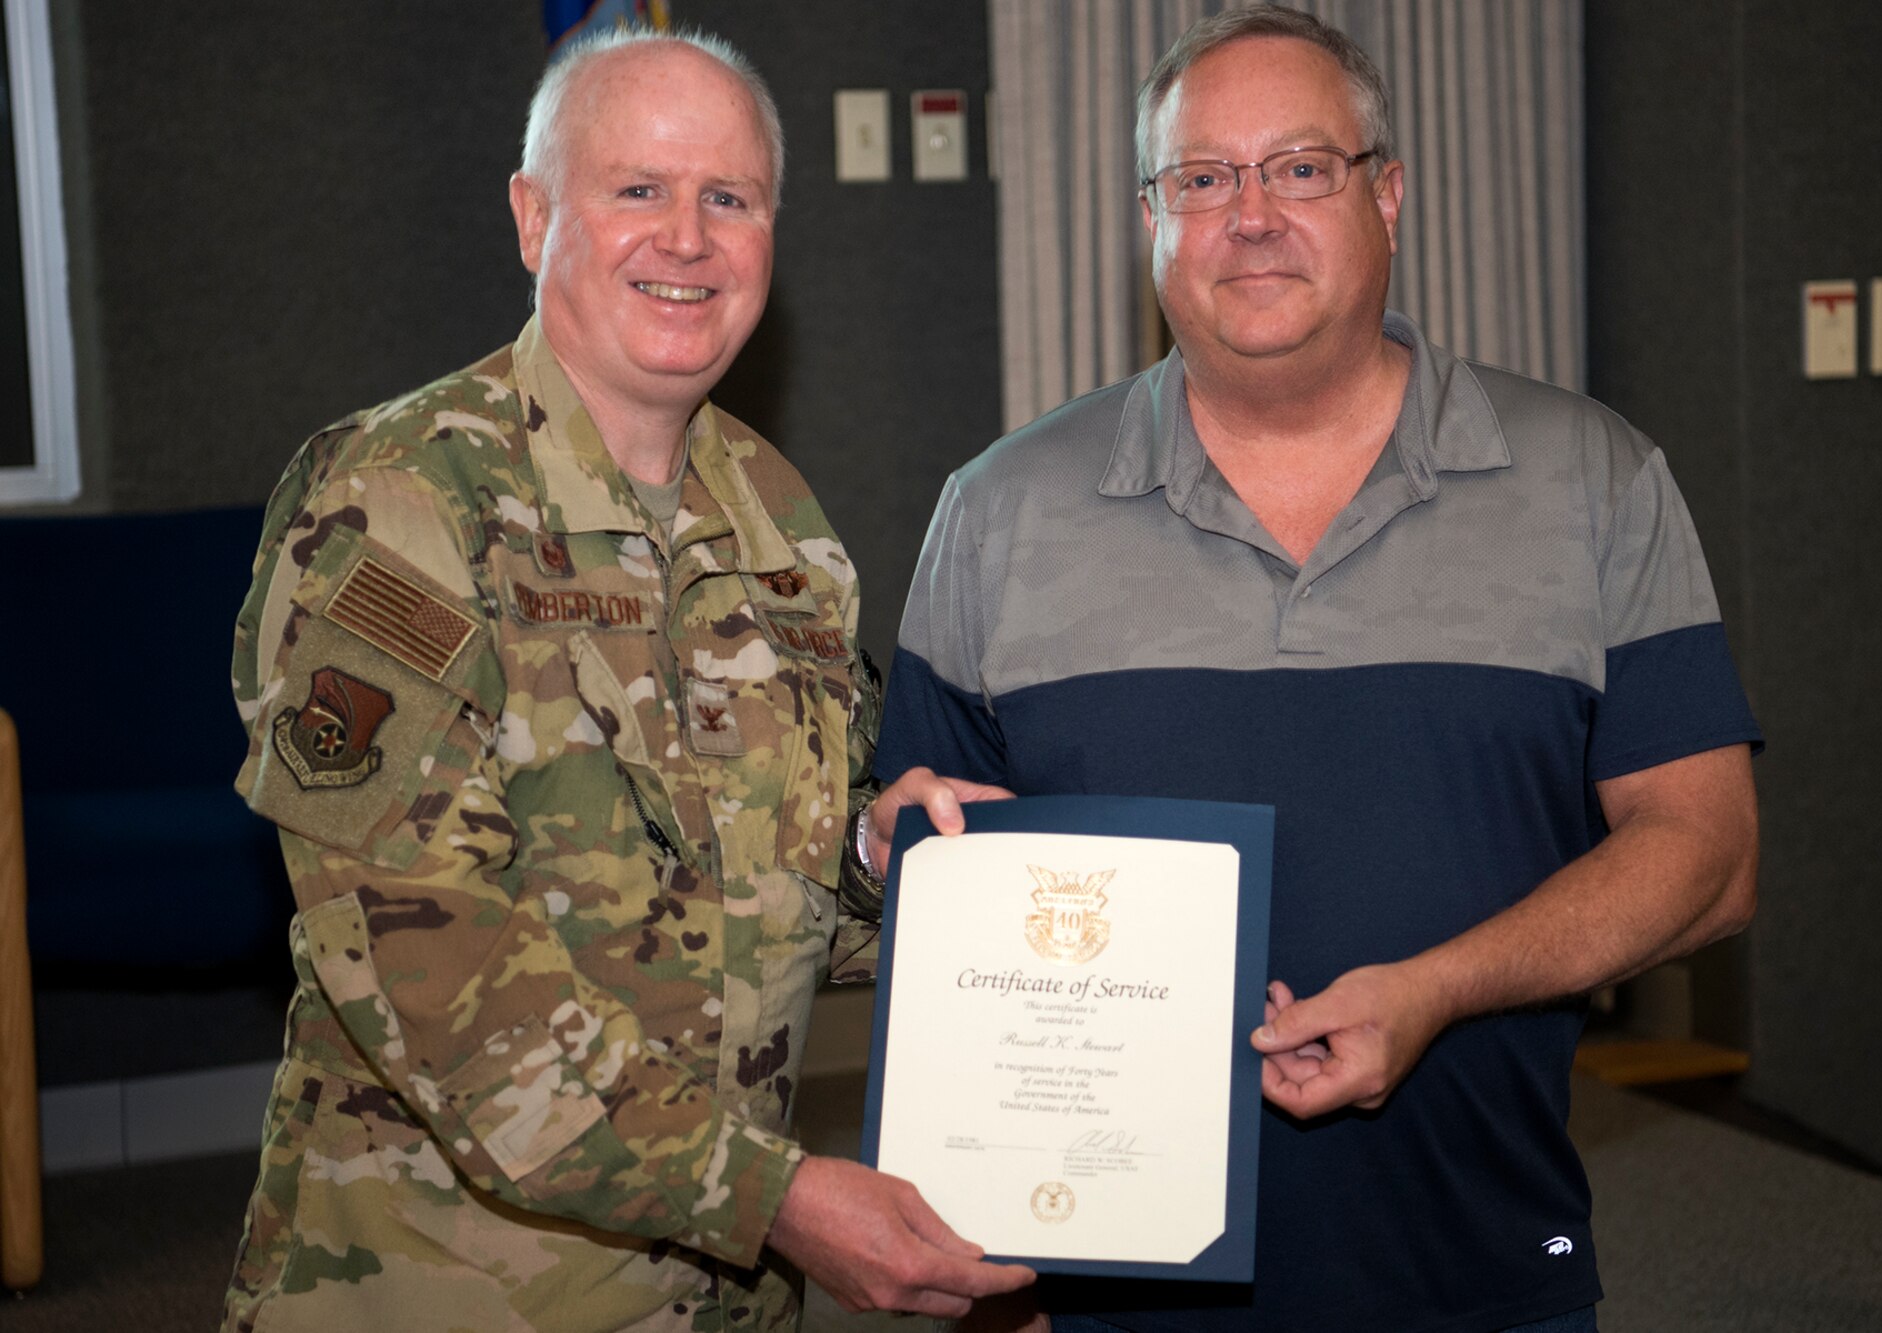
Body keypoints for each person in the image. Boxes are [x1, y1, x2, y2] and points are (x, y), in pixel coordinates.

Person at [869, 6, 1761, 1331]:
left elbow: (1710, 851)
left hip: (1478, 1271)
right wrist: (892, 844)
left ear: (1386, 193)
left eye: (1300, 167)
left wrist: (1438, 987)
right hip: (1095, 1295)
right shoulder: (997, 510)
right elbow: (921, 867)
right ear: (1151, 217)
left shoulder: (1595, 481)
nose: (1251, 214)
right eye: (1202, 178)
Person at [222, 28, 1030, 1332]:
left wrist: (884, 858)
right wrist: (780, 1197)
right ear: (534, 216)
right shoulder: (396, 505)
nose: (688, 237)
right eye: (637, 190)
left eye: (731, 197)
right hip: (457, 1291)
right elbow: (442, 978)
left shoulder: (779, 521)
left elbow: (774, 885)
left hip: (724, 1295)